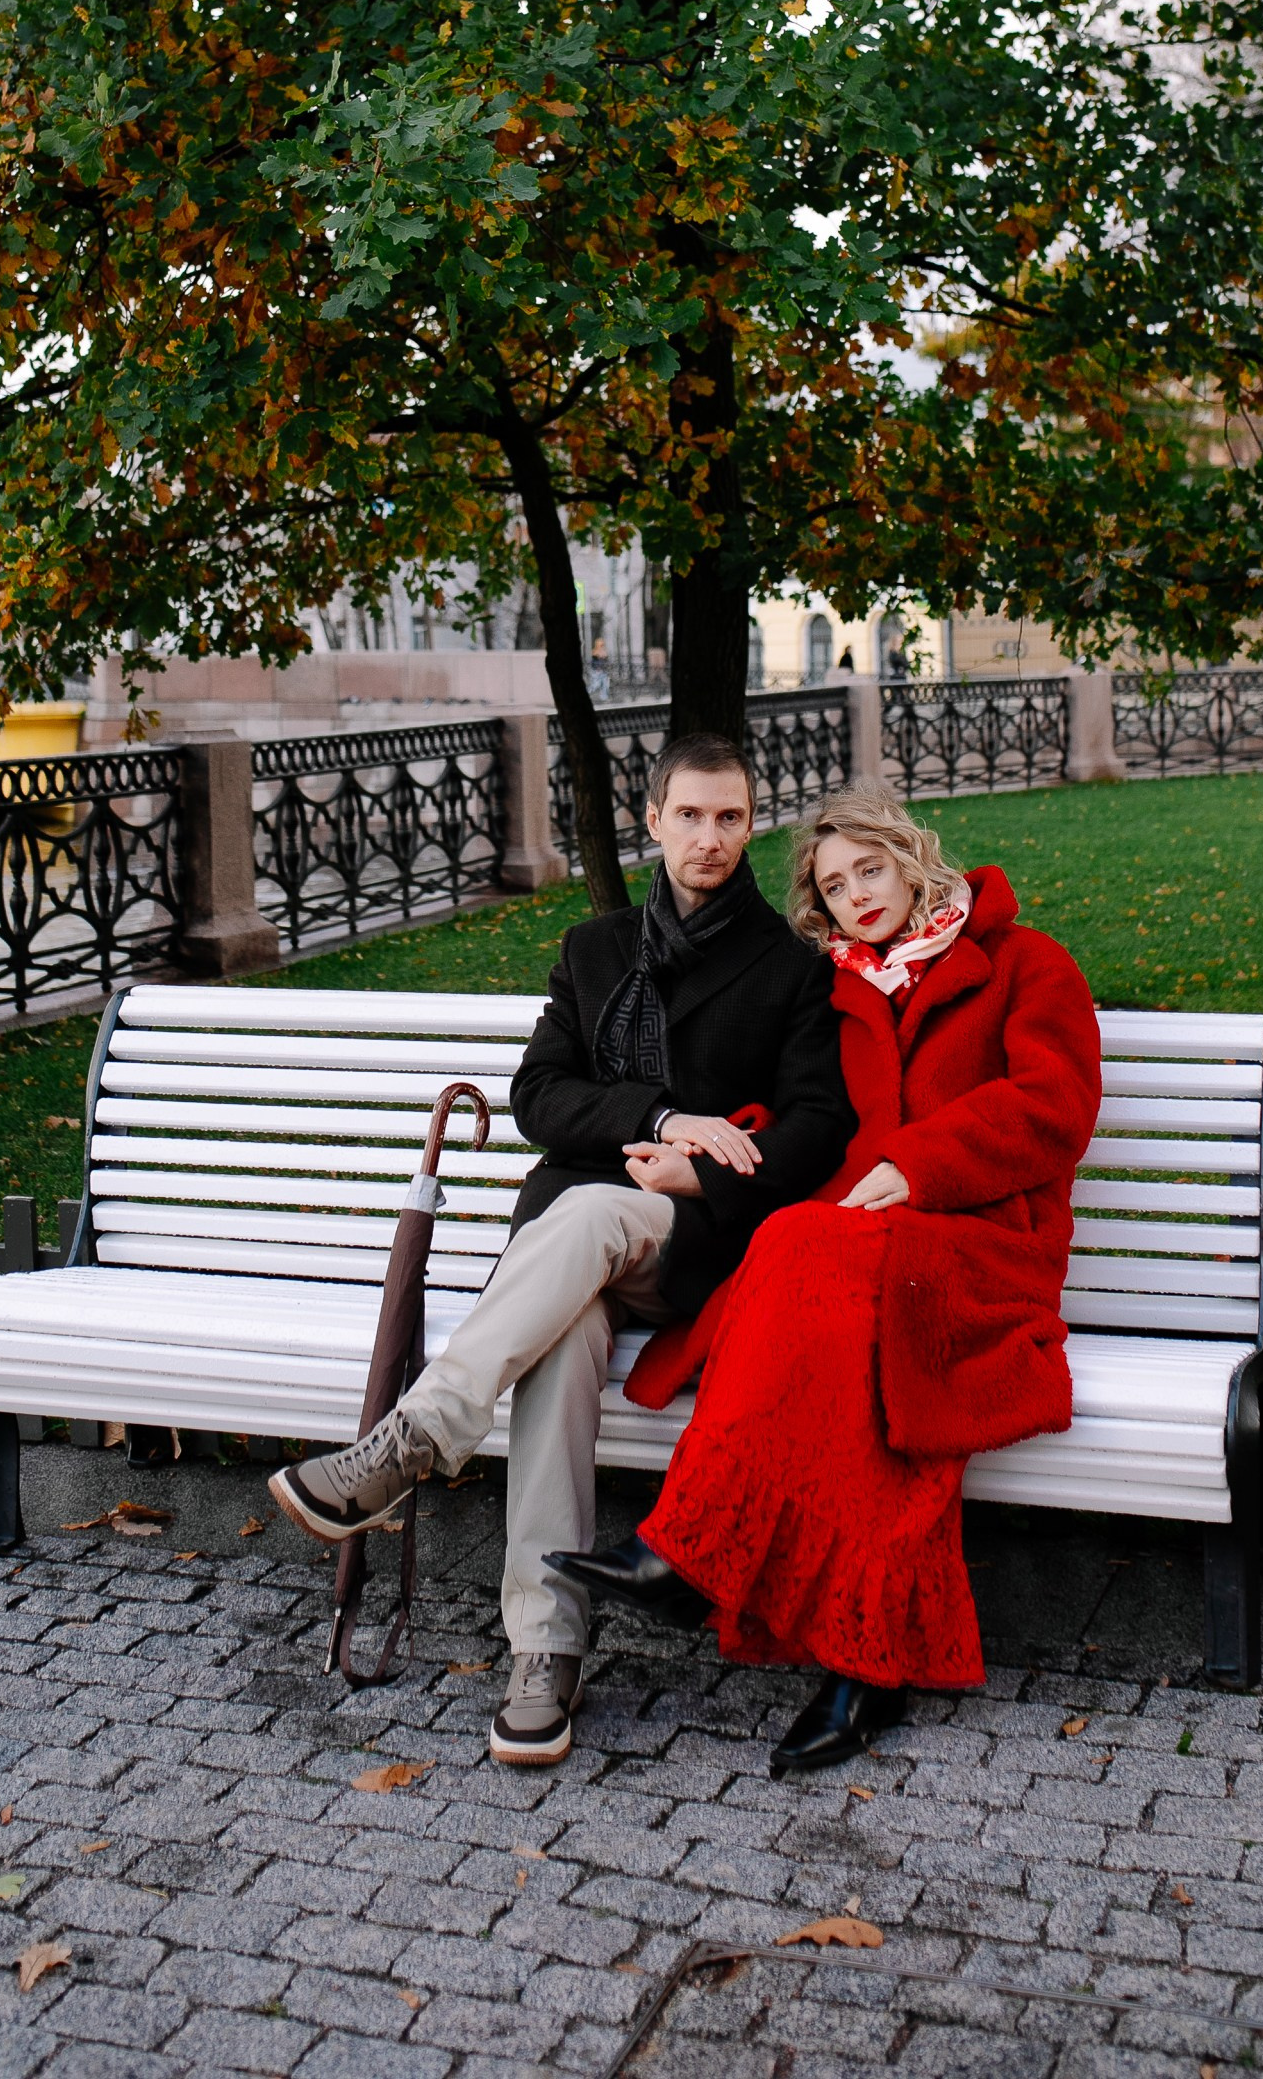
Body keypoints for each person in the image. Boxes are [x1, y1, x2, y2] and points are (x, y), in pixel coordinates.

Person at [269, 734, 852, 1768]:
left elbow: (816, 1128)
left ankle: (411, 1441)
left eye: (728, 817)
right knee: (560, 1342)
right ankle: (544, 1651)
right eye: (689, 816)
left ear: (750, 822)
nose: (708, 838)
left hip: (698, 1245)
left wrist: (707, 1170)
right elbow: (537, 1098)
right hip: (570, 1254)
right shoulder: (596, 951)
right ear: (652, 820)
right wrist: (666, 1117)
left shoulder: (790, 968)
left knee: (580, 1220)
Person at [550, 783, 1100, 1778]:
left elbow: (1054, 1101)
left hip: (979, 1251)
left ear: (911, 857)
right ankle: (858, 1667)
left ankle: (688, 1549)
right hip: (866, 1248)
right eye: (834, 886)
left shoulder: (1020, 964)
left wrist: (922, 1164)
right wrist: (712, 1156)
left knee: (803, 1255)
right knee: (827, 1312)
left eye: (869, 870)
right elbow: (801, 1119)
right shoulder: (839, 992)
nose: (855, 897)